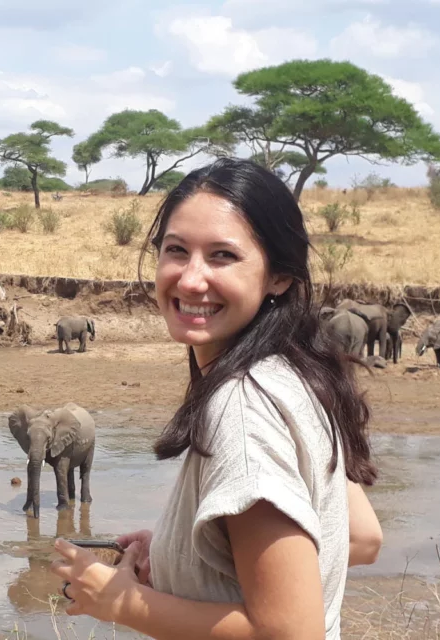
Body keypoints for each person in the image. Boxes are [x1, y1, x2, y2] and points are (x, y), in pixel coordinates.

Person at [49, 157, 383, 639]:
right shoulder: (298, 376)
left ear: (280, 276)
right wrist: (176, 551)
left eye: (223, 256)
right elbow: (360, 537)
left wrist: (120, 602)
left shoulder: (243, 409)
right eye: (177, 250)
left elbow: (291, 633)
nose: (189, 279)